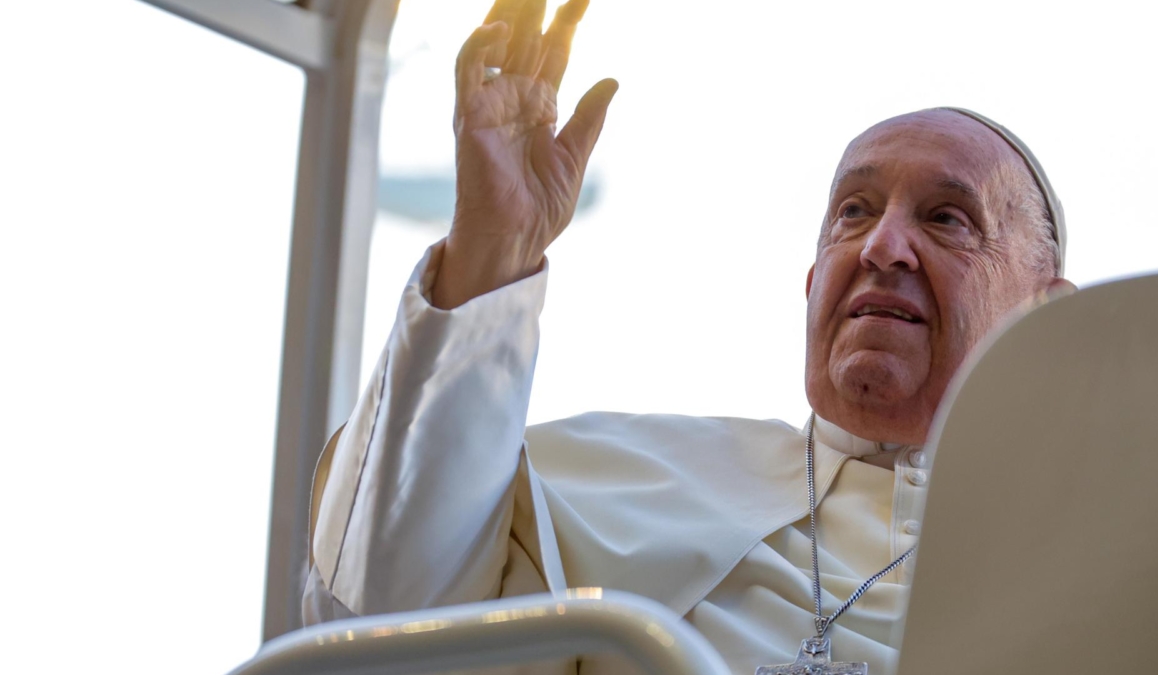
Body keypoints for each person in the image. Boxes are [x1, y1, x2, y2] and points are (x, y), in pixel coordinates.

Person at [301, 0, 1074, 672]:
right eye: (854, 211)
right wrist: (490, 254)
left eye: (946, 217)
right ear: (812, 288)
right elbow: (385, 630)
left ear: (1050, 320)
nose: (880, 247)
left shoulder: (1133, 552)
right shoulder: (615, 484)